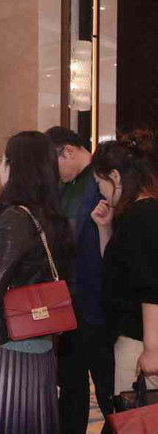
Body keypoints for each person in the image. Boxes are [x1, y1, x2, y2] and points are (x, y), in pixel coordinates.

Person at [0, 131, 72, 434]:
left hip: (8, 349)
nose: (0, 168)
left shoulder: (15, 218)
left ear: (15, 167)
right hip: (41, 347)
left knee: (7, 421)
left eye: (2, 160)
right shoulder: (52, 217)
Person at [44, 126, 114, 434]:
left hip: (99, 303)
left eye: (54, 162)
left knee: (108, 387)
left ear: (68, 151)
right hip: (67, 303)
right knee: (70, 385)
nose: (53, 172)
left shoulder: (103, 179)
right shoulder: (64, 187)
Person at [90, 139, 158, 396]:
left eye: (100, 183)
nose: (101, 192)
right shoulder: (136, 214)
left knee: (136, 412)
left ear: (115, 176)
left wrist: (152, 349)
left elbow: (151, 286)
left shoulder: (142, 216)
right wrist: (105, 228)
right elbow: (117, 269)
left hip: (139, 341)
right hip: (137, 337)